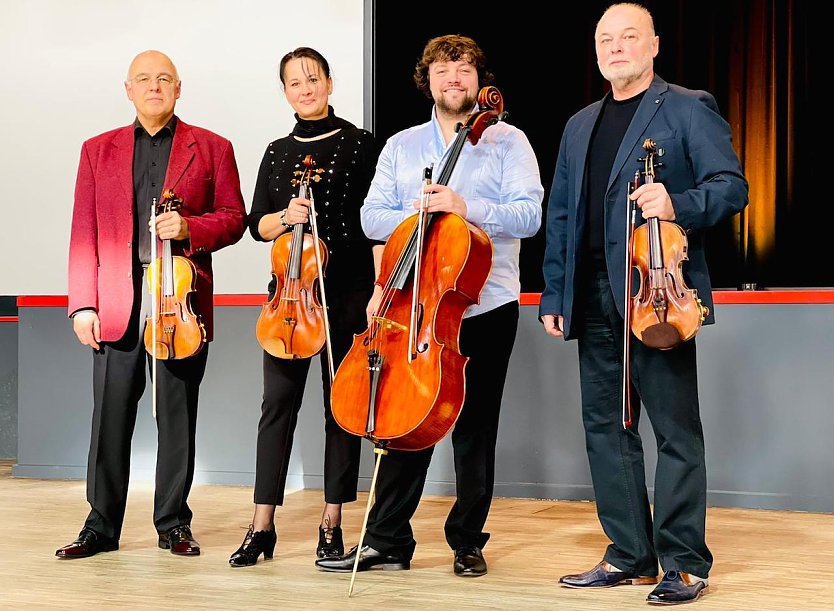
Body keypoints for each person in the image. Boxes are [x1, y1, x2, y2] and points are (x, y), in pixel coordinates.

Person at [539, 3, 748, 605]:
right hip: (593, 294)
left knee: (675, 430)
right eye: (606, 38)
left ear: (653, 45)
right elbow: (561, 216)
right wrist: (556, 292)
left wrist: (677, 203)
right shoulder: (579, 124)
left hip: (658, 293)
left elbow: (731, 186)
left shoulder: (687, 107)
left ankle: (683, 561)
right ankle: (629, 552)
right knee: (606, 427)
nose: (616, 46)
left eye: (629, 36)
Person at [316, 34, 543, 577]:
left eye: (463, 68)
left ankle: (467, 540)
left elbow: (529, 215)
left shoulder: (509, 141)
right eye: (443, 70)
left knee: (475, 425)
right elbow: (370, 219)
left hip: (485, 303)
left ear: (478, 78)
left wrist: (466, 207)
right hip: (413, 308)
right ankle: (387, 539)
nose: (454, 78)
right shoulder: (401, 146)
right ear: (428, 81)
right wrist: (414, 215)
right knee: (402, 420)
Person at [56, 50, 246, 559]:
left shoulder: (212, 147)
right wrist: (82, 305)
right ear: (128, 89)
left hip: (178, 297)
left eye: (164, 79)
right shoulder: (97, 150)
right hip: (116, 300)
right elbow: (83, 233)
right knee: (110, 416)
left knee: (178, 415)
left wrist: (190, 228)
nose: (154, 86)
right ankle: (100, 526)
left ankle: (174, 524)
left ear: (179, 88)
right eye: (144, 79)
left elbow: (234, 217)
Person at [228, 47, 380, 567]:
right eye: (294, 83)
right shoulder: (275, 152)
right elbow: (257, 226)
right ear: (286, 92)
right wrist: (284, 216)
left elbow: (375, 224)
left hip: (346, 294)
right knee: (276, 407)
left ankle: (332, 521)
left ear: (330, 83)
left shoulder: (362, 146)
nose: (305, 89)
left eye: (313, 79)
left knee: (340, 409)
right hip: (291, 298)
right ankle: (261, 524)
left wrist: (378, 291)